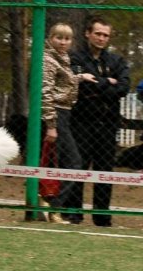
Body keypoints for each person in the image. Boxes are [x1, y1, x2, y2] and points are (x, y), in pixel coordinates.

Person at [68, 17, 130, 226]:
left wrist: (96, 82)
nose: (102, 38)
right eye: (98, 33)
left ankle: (102, 216)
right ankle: (74, 213)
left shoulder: (117, 61)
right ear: (88, 33)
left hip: (108, 124)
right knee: (79, 166)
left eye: (106, 35)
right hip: (81, 122)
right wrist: (107, 82)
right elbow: (80, 86)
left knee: (105, 169)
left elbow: (123, 88)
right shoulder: (75, 57)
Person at [40, 23, 97, 224]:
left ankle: (48, 203)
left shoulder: (62, 58)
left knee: (63, 162)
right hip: (56, 115)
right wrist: (52, 125)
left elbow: (62, 83)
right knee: (74, 162)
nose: (63, 42)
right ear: (50, 38)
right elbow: (45, 93)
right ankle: (53, 206)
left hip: (64, 114)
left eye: (67, 39)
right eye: (59, 38)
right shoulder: (47, 59)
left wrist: (80, 77)